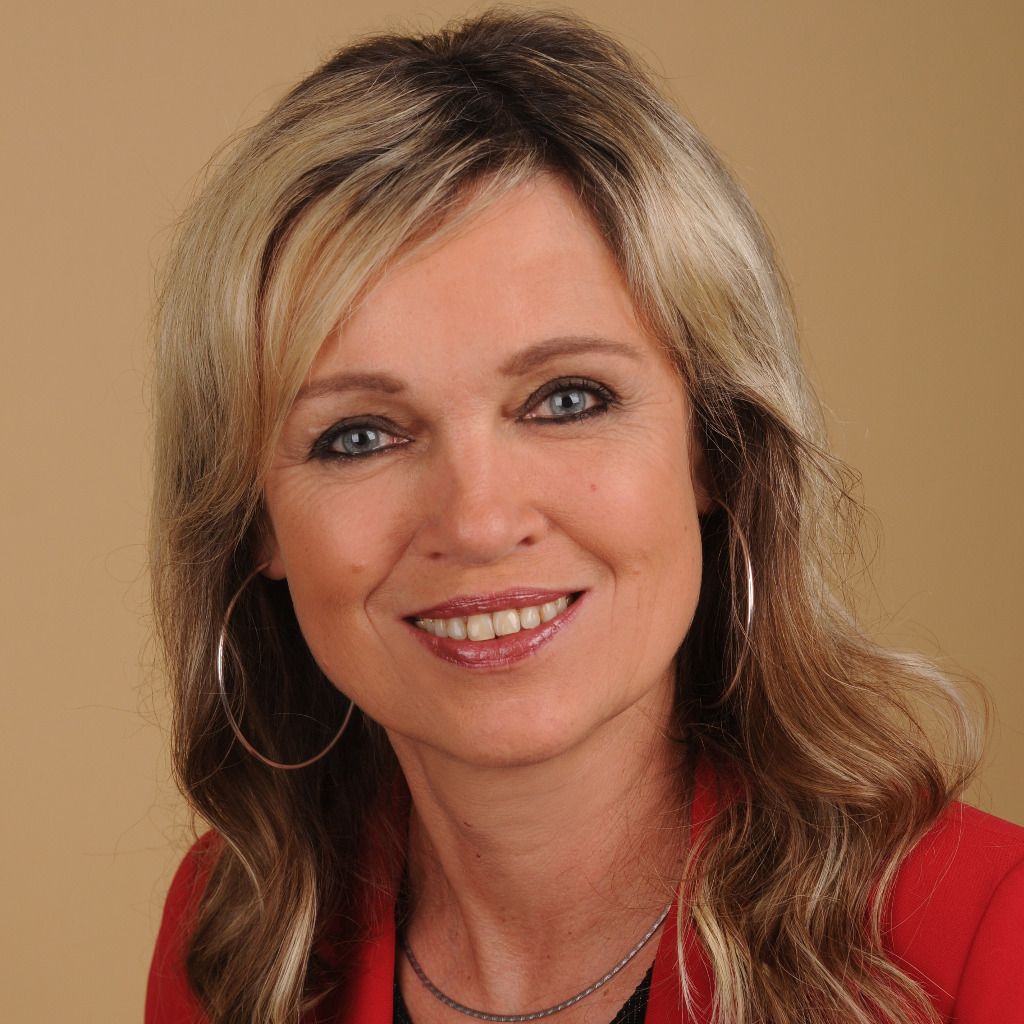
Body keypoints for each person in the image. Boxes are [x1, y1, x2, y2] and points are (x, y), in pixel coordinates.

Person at [145, 10, 1024, 1024]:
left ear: (715, 447)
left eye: (567, 399)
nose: (478, 520)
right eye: (358, 436)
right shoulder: (236, 939)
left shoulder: (985, 935)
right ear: (254, 521)